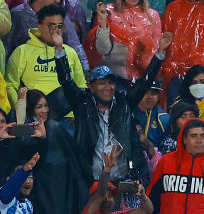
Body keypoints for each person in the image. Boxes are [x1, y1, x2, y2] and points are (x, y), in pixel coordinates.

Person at [56, 31, 169, 183]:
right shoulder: (82, 103)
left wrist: (160, 52)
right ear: (91, 86)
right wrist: (59, 50)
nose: (107, 87)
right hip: (89, 178)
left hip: (120, 179)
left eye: (110, 82)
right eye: (102, 83)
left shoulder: (124, 102)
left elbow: (145, 82)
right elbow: (66, 80)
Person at [84, 0, 161, 81]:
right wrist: (103, 21)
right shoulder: (108, 11)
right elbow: (103, 49)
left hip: (143, 77)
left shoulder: (153, 15)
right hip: (115, 75)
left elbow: (155, 51)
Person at [5, 4, 80, 114]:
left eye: (60, 26)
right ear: (40, 26)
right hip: (32, 115)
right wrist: (21, 111)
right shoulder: (22, 51)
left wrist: (76, 114)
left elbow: (80, 85)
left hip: (66, 118)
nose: (56, 31)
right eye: (51, 26)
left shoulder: (71, 53)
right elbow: (10, 85)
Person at [10, 0, 89, 72]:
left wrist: (86, 72)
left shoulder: (61, 16)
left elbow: (75, 45)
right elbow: (7, 47)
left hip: (55, 71)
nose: (58, 0)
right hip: (24, 71)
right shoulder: (17, 15)